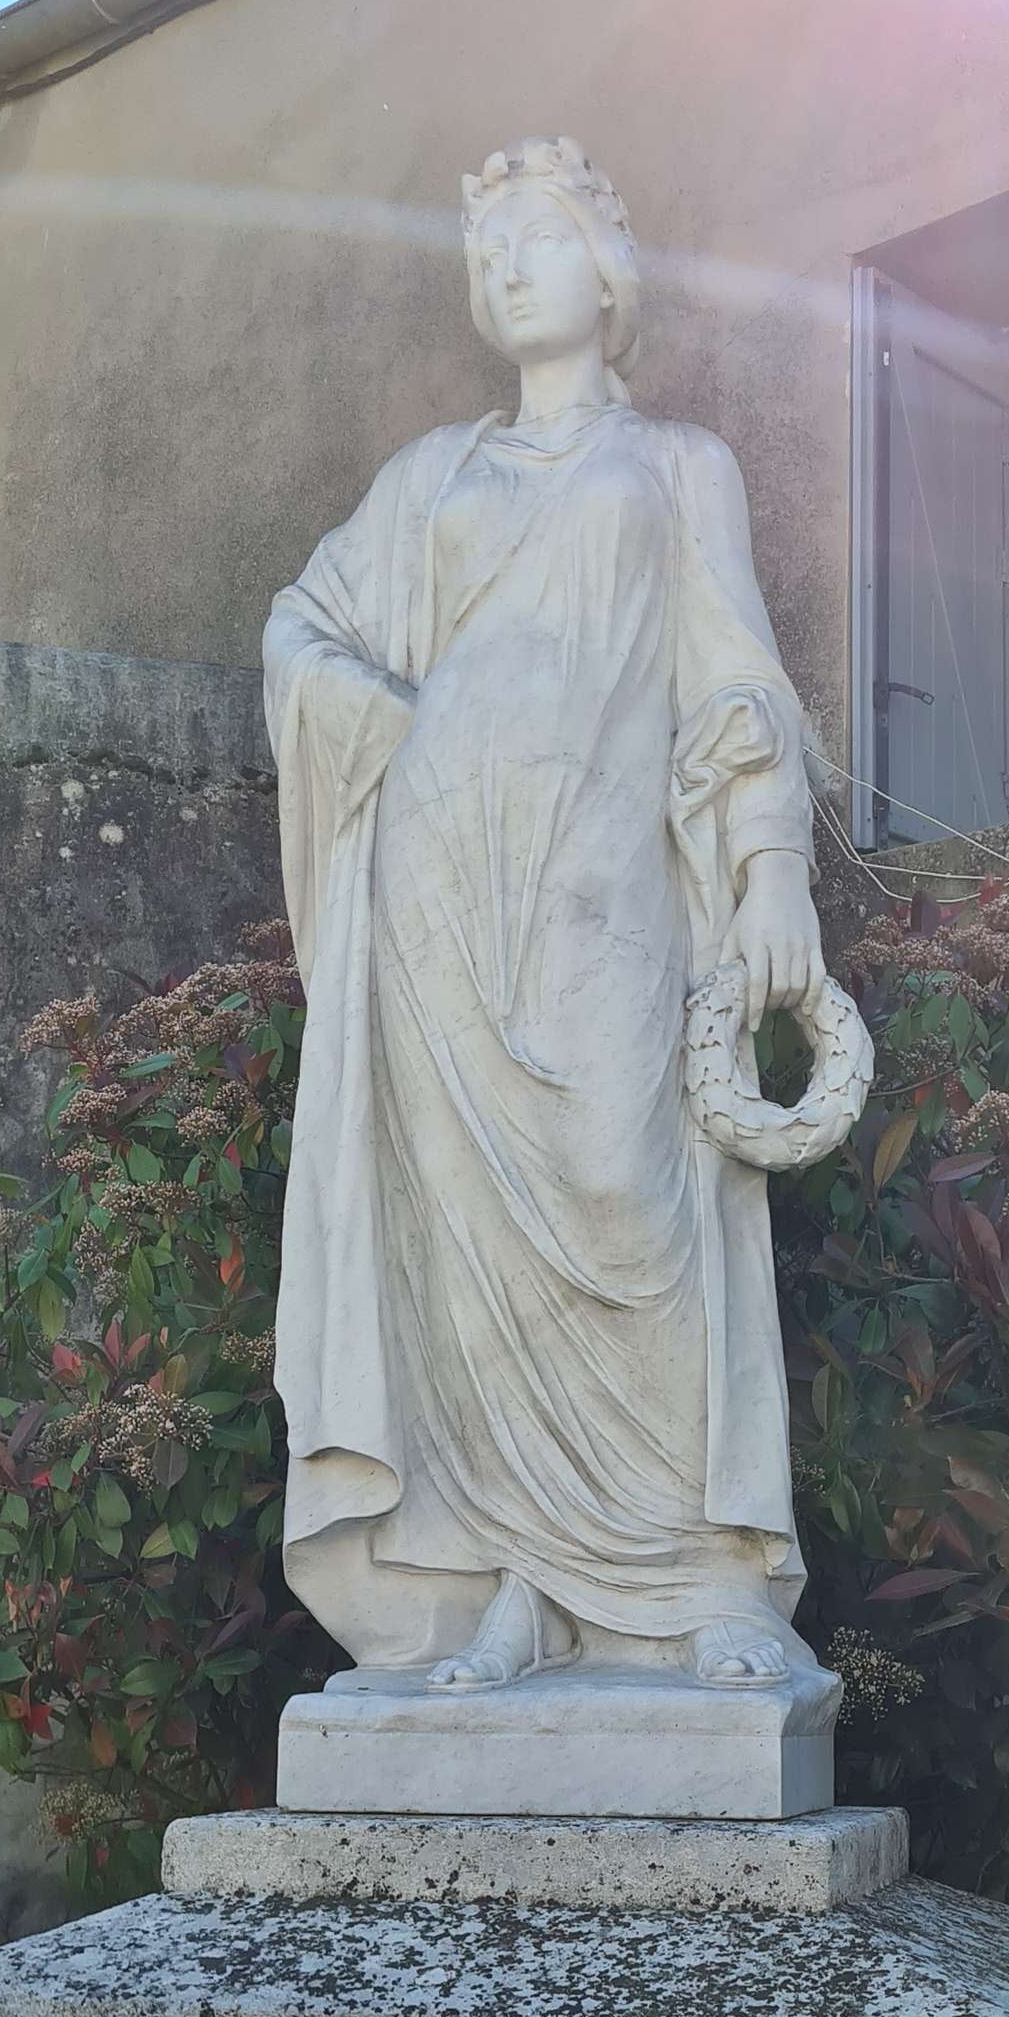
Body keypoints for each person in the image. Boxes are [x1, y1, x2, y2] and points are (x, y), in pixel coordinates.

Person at [264, 135, 831, 1695]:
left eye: (539, 236)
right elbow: (303, 627)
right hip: (436, 899)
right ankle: (517, 1582)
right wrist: (385, 722)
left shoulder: (679, 467)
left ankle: (703, 1583)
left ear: (609, 269)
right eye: (488, 248)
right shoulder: (427, 480)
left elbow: (735, 686)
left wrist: (771, 865)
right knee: (467, 1263)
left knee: (632, 1195)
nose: (507, 266)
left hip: (604, 894)